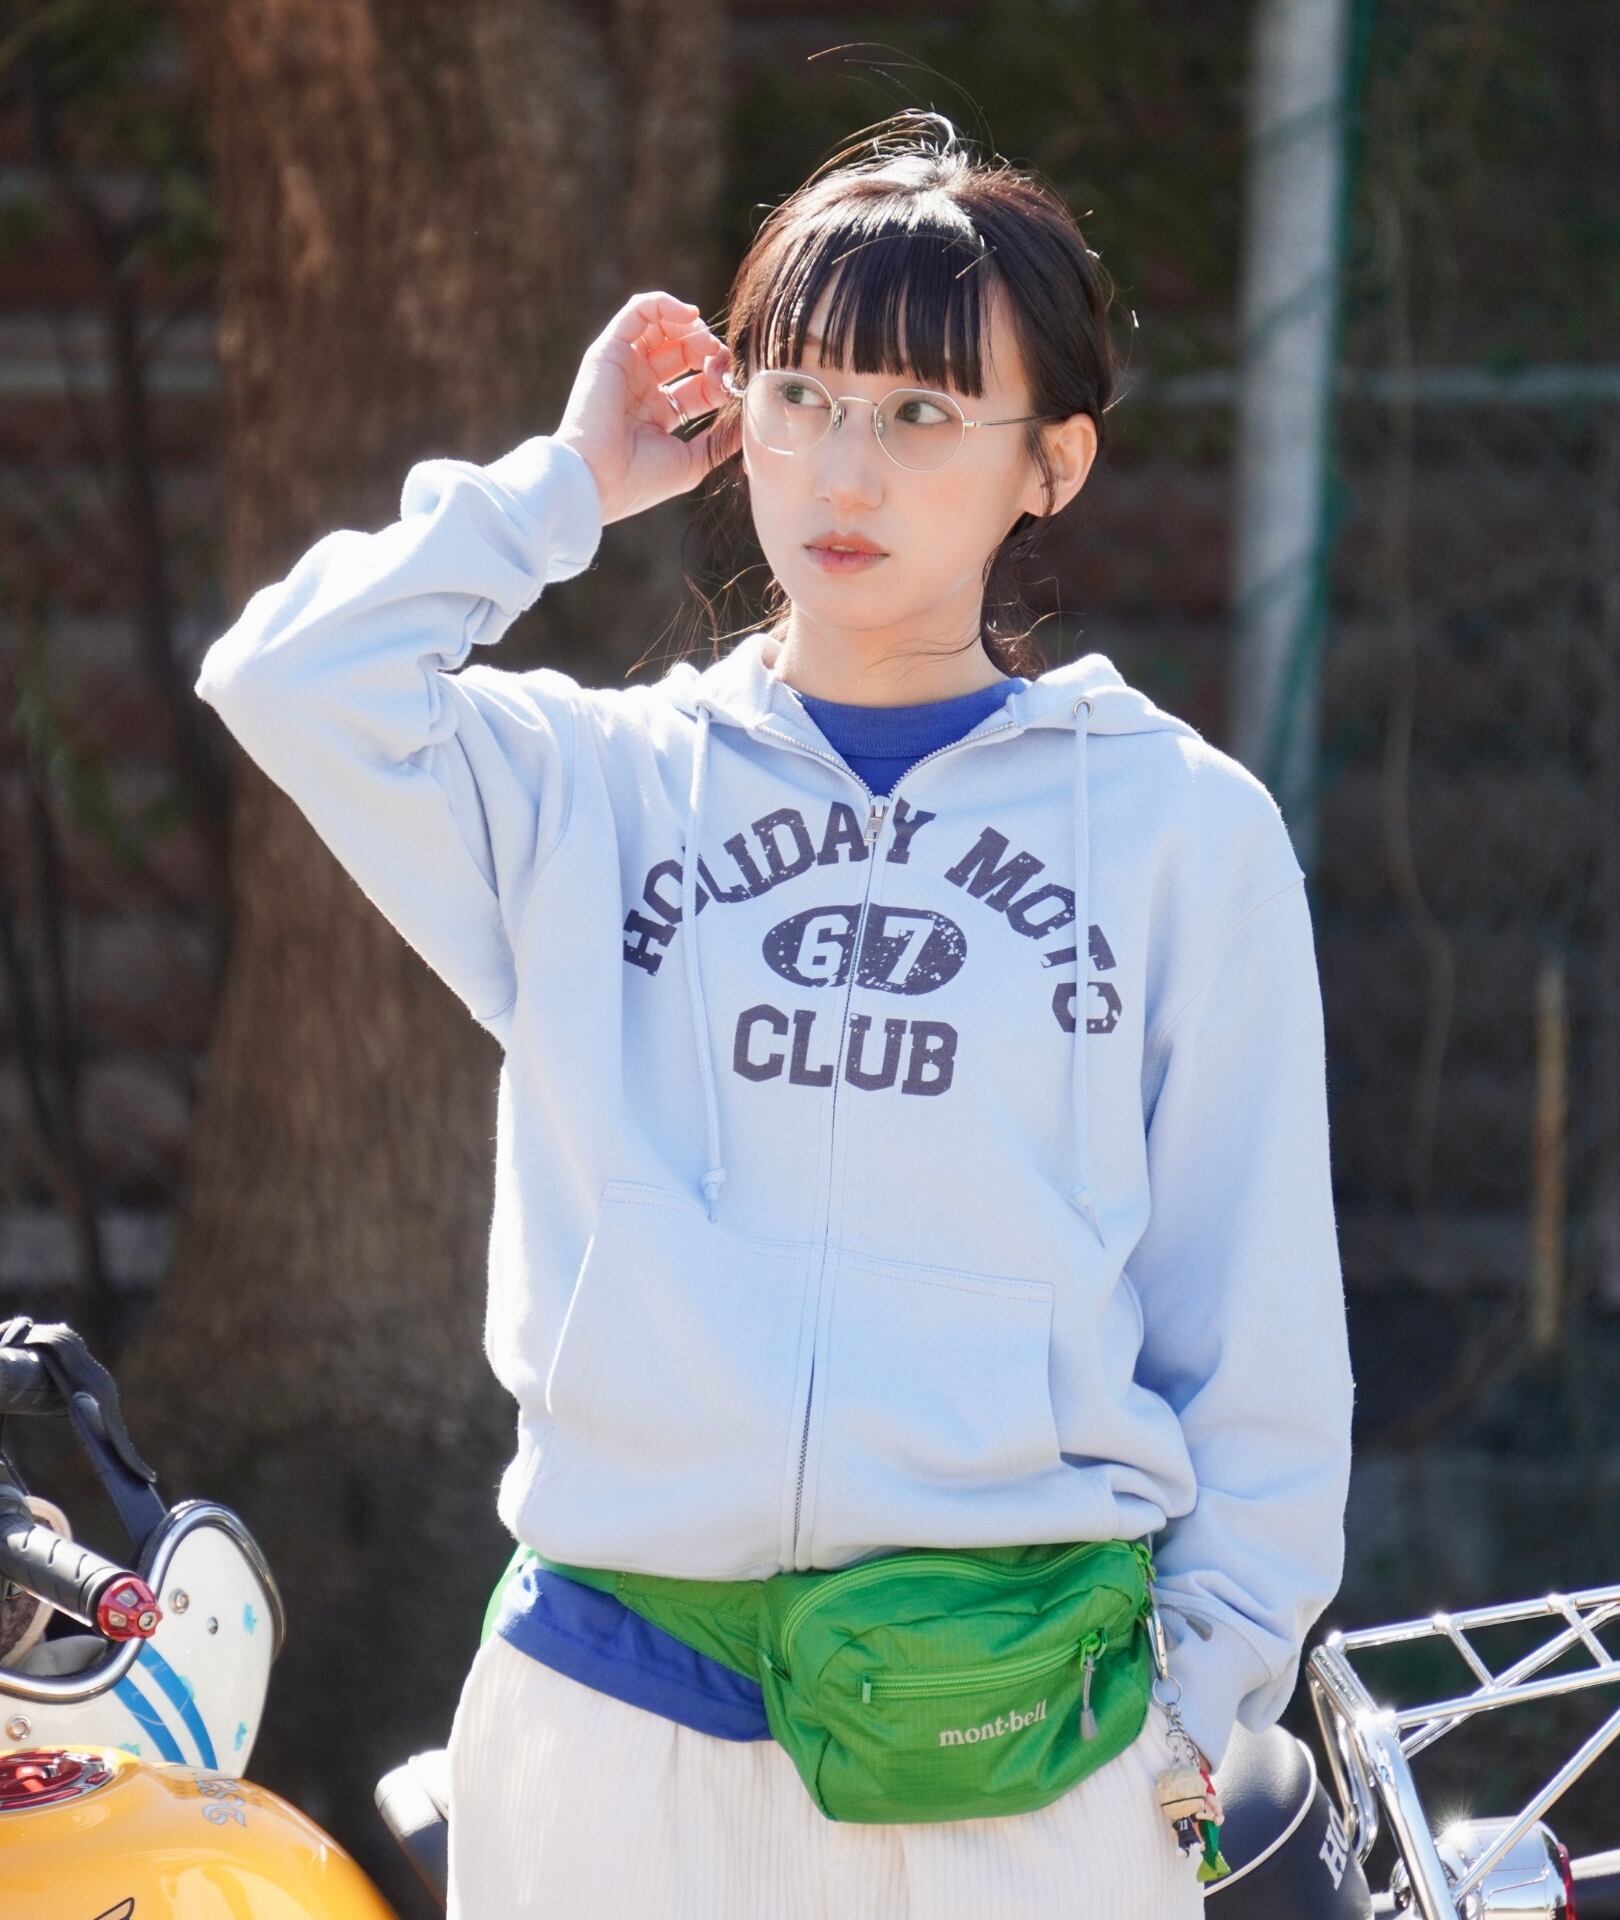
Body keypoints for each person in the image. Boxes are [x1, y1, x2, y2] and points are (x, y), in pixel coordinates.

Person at [194, 110, 1354, 1920]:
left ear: (1051, 462)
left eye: (922, 413)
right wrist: (566, 486)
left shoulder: (1179, 832)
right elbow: (286, 675)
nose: (844, 469)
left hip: (1015, 1750)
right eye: (801, 396)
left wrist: (1190, 1716)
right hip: (609, 1724)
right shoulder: (591, 788)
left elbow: (1258, 1340)